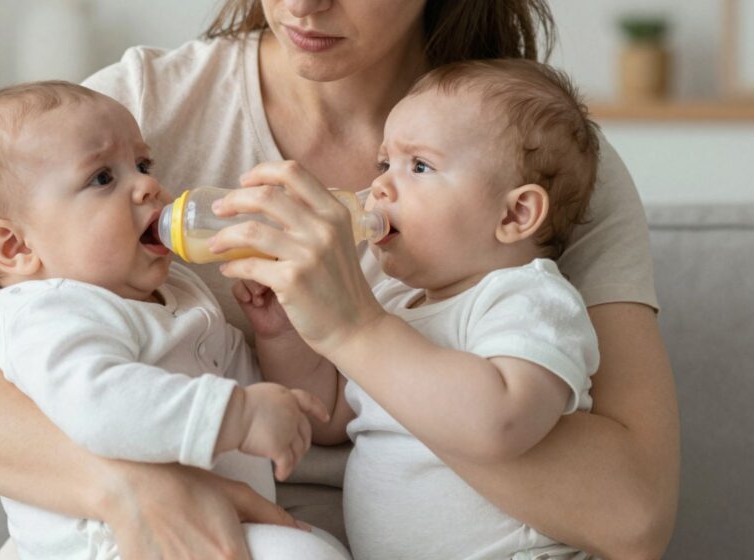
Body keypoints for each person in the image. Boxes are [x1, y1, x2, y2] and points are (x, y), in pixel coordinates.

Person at [0, 0, 679, 559]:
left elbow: (633, 515)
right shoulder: (132, 119)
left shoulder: (535, 164)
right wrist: (119, 488)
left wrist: (352, 327)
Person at [0, 80, 349, 560]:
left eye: (143, 165)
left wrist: (278, 338)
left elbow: (256, 394)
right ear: (16, 248)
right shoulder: (50, 313)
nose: (149, 185)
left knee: (317, 547)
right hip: (109, 542)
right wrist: (238, 414)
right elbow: (97, 403)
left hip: (208, 526)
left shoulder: (176, 296)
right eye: (102, 178)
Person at [223, 60, 603, 559]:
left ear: (514, 214)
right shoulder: (396, 303)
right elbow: (334, 417)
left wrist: (363, 327)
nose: (379, 186)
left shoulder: (527, 299)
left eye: (418, 166)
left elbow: (501, 422)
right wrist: (282, 334)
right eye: (384, 164)